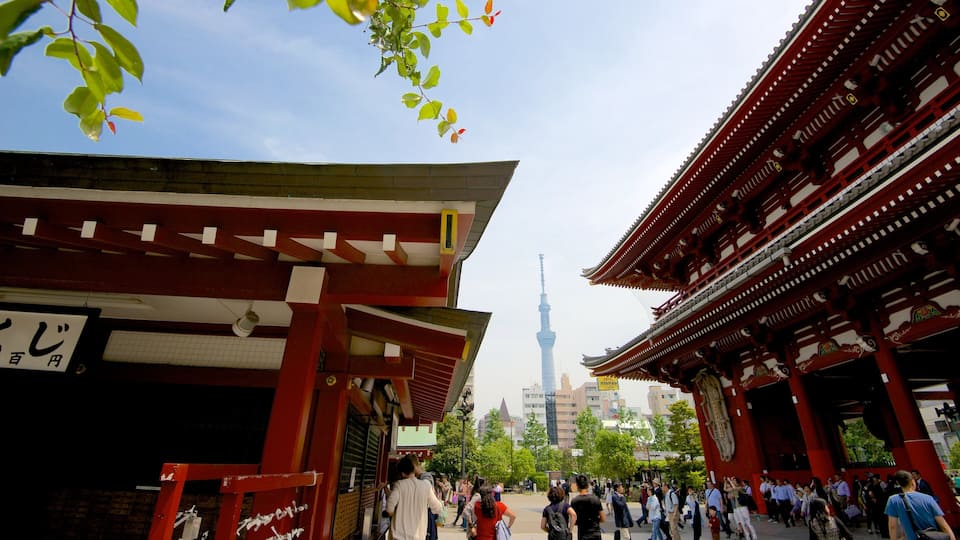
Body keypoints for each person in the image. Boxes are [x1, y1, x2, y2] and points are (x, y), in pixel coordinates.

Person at [386, 454, 443, 540]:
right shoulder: (426, 485)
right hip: (418, 537)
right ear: (413, 469)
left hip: (399, 537)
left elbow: (389, 509)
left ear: (402, 473)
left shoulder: (399, 485)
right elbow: (438, 508)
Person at [885, 470, 955, 540]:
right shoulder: (928, 498)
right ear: (912, 481)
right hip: (932, 537)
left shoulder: (893, 500)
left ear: (898, 483)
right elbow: (943, 525)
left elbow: (893, 526)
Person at [571, 474, 606, 540]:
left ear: (577, 486)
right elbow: (603, 518)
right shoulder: (595, 499)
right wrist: (595, 521)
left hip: (583, 534)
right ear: (588, 485)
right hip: (595, 533)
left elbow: (573, 520)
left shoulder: (574, 501)